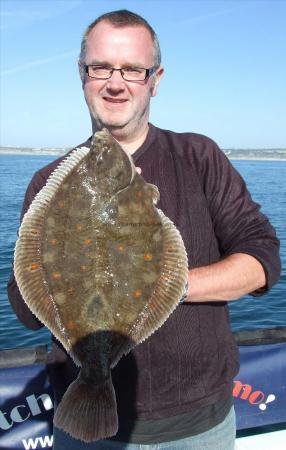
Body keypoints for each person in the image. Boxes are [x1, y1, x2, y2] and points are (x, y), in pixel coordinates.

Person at [7, 9, 281, 450]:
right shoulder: (49, 181)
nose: (116, 82)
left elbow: (263, 260)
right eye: (101, 67)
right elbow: (24, 309)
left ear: (155, 79)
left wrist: (159, 284)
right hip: (85, 428)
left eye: (133, 69)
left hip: (199, 426)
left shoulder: (199, 156)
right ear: (82, 74)